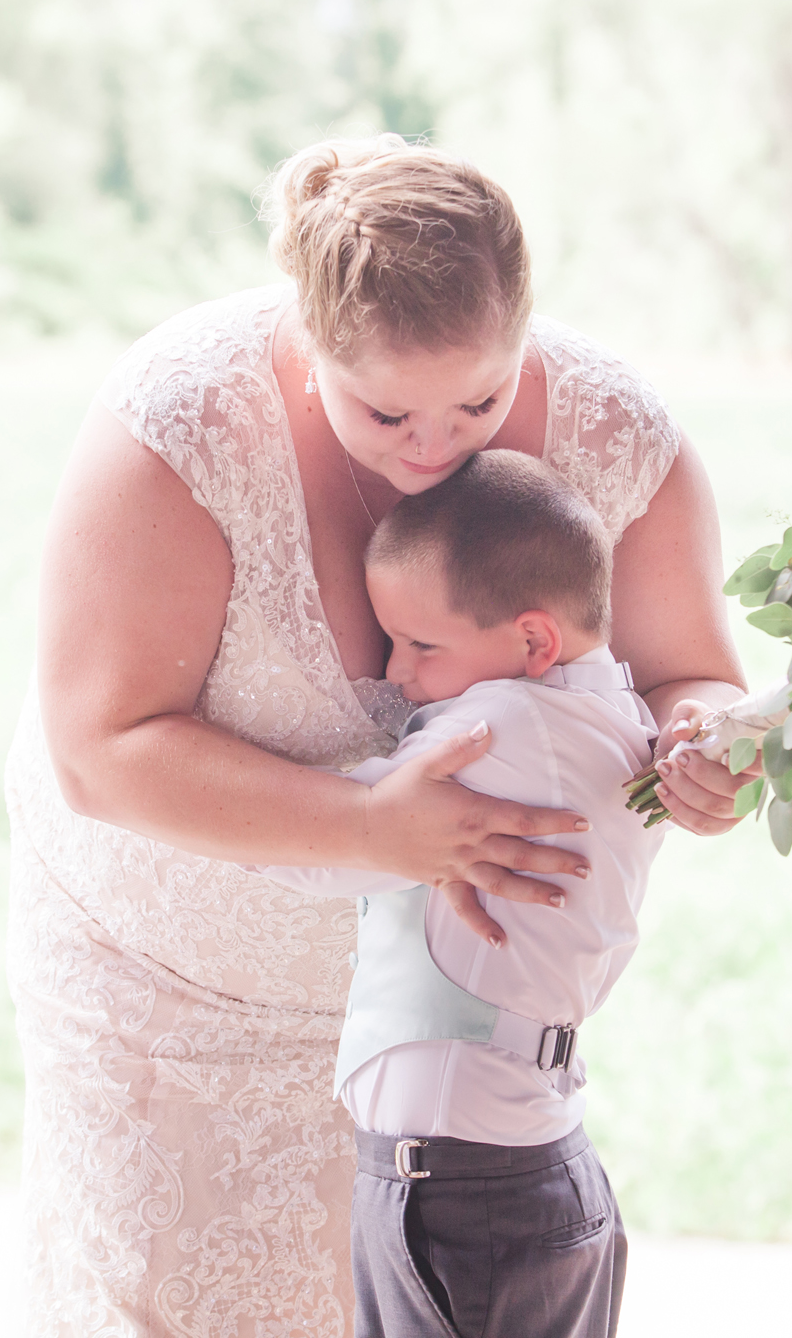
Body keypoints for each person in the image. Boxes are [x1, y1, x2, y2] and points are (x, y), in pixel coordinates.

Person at [8, 134, 755, 1336]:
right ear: (308, 342)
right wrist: (370, 828)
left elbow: (690, 675)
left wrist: (705, 749)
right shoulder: (181, 425)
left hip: (458, 1067)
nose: (434, 446)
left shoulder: (616, 432)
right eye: (386, 410)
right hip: (174, 1009)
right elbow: (100, 747)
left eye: (480, 401)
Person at [263, 450, 663, 1338]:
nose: (396, 672)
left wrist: (176, 802)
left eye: (421, 645)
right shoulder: (615, 716)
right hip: (508, 1170)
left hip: (465, 1188)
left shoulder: (502, 727)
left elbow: (331, 848)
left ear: (533, 643)